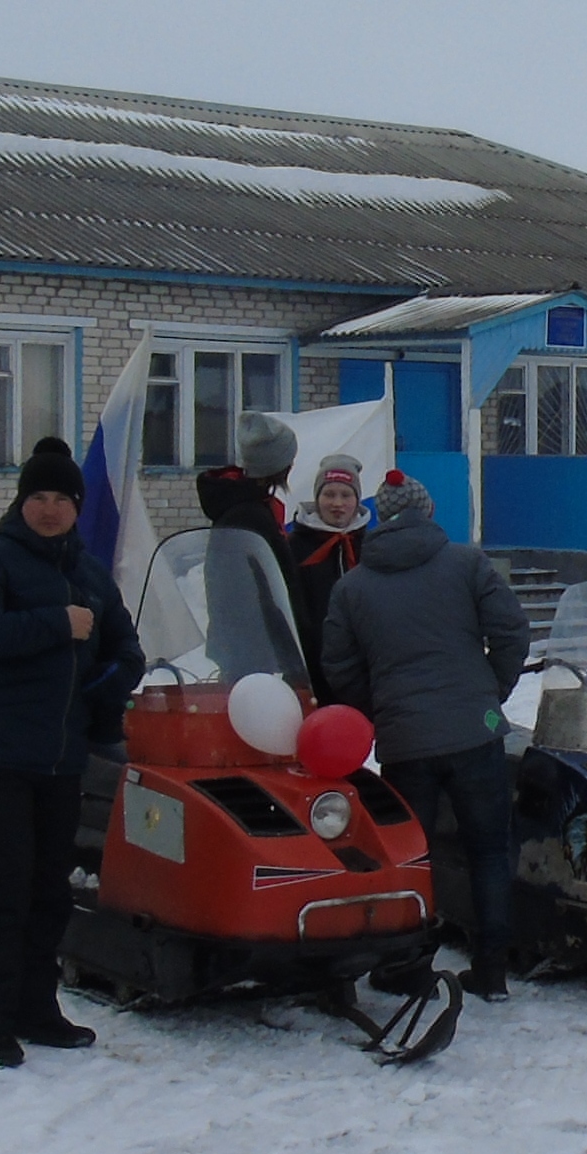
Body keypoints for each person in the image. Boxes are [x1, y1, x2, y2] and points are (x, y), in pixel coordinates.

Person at [0, 437, 144, 1070]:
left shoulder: (90, 573)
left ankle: (37, 1008)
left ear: (78, 506)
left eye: (63, 498)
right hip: (0, 755)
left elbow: (127, 650)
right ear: (21, 501)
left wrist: (102, 687)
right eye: (40, 496)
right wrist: (57, 623)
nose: (51, 508)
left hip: (63, 758)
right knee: (4, 892)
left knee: (49, 893)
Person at [320, 473, 531, 1000]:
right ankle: (491, 972)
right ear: (427, 511)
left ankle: (410, 969)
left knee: (412, 856)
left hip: (405, 742)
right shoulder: (467, 563)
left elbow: (339, 666)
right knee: (489, 851)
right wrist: (491, 690)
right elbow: (511, 630)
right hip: (475, 730)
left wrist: (381, 710)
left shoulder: (352, 586)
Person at [285, 455, 368, 704]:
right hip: (311, 670)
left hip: (364, 671)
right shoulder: (295, 547)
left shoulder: (372, 546)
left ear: (357, 501)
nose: (337, 503)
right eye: (329, 494)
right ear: (317, 498)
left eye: (346, 495)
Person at [193, 413, 300, 580]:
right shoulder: (248, 516)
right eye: (289, 459)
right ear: (276, 466)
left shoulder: (242, 502)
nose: (292, 464)